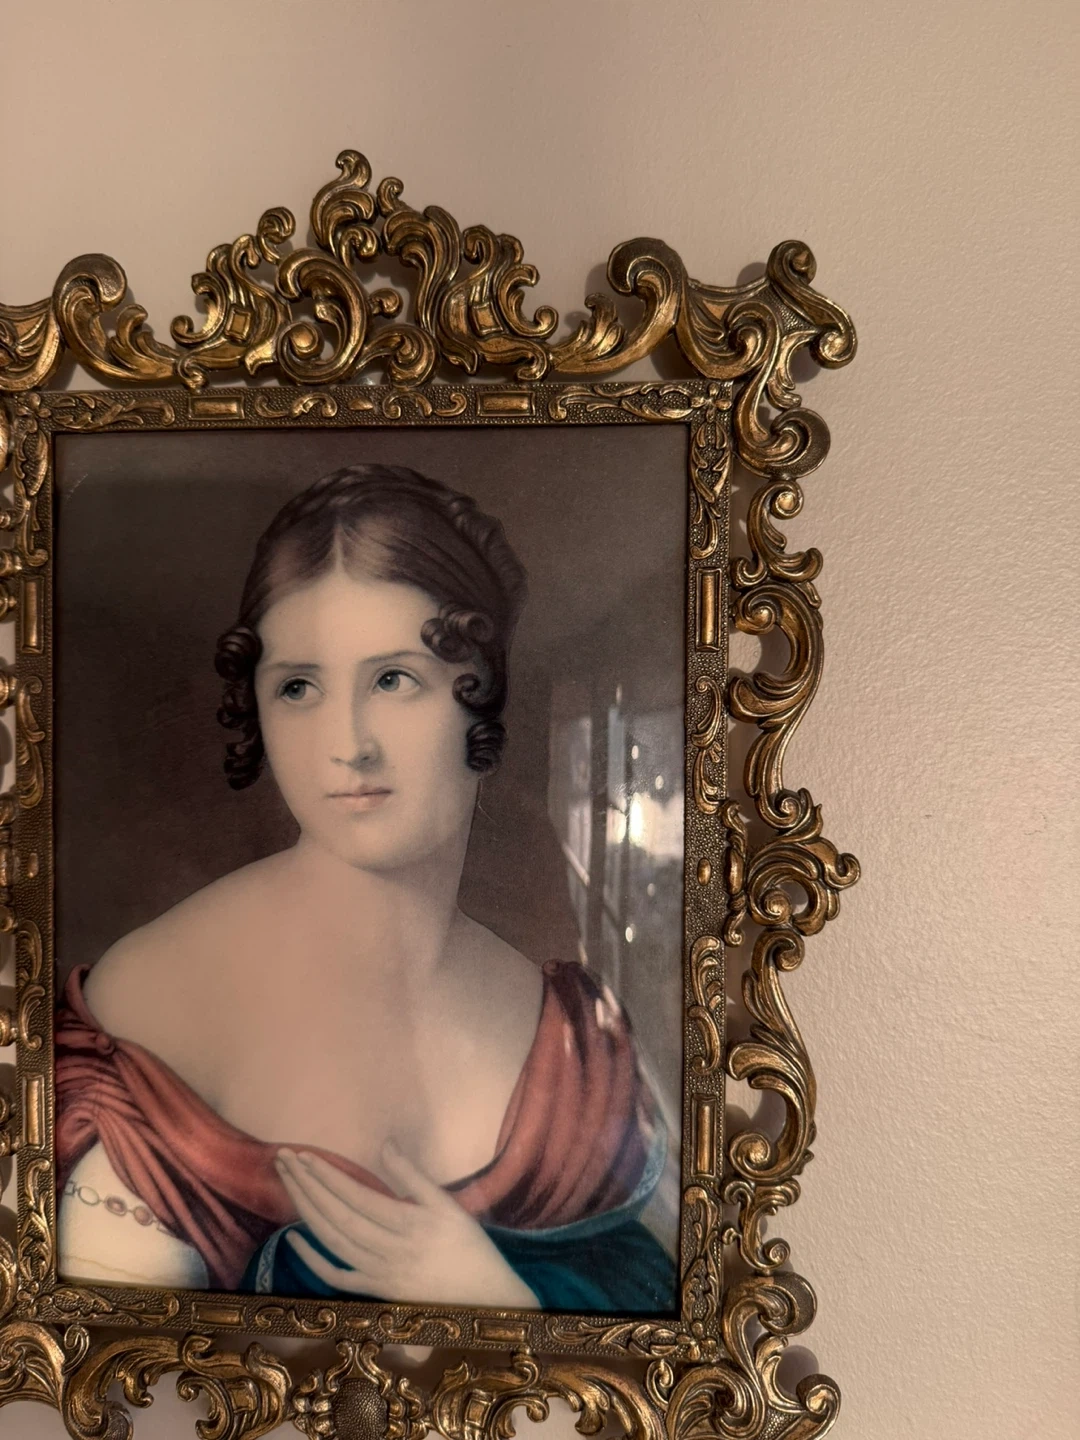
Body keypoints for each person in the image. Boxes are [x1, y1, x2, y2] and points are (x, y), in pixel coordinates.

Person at [55, 464, 676, 1313]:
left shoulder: (575, 1043)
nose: (347, 743)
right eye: (299, 687)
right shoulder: (149, 1001)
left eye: (393, 680)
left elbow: (663, 1323)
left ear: (480, 697)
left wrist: (491, 1294)